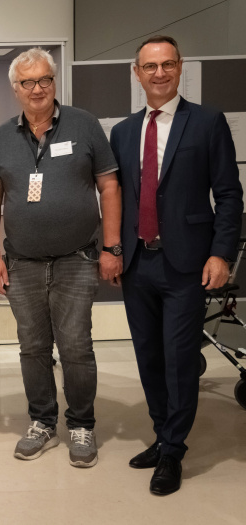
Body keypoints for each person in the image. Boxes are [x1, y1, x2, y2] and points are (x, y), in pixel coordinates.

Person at [110, 35, 243, 495]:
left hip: (187, 263)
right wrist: (112, 250)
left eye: (168, 64)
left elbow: (229, 194)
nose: (160, 73)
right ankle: (163, 431)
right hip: (137, 264)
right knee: (148, 357)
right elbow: (119, 199)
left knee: (180, 359)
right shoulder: (123, 131)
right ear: (137, 72)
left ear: (180, 67)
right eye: (150, 66)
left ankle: (173, 450)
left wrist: (222, 253)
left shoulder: (207, 122)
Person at [0, 48, 122, 468]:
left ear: (54, 81)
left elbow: (110, 188)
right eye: (28, 82)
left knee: (76, 345)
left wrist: (112, 247)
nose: (37, 88)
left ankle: (82, 424)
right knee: (33, 346)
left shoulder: (84, 125)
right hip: (21, 261)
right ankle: (42, 420)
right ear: (15, 89)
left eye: (45, 79)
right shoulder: (2, 137)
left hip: (77, 257)